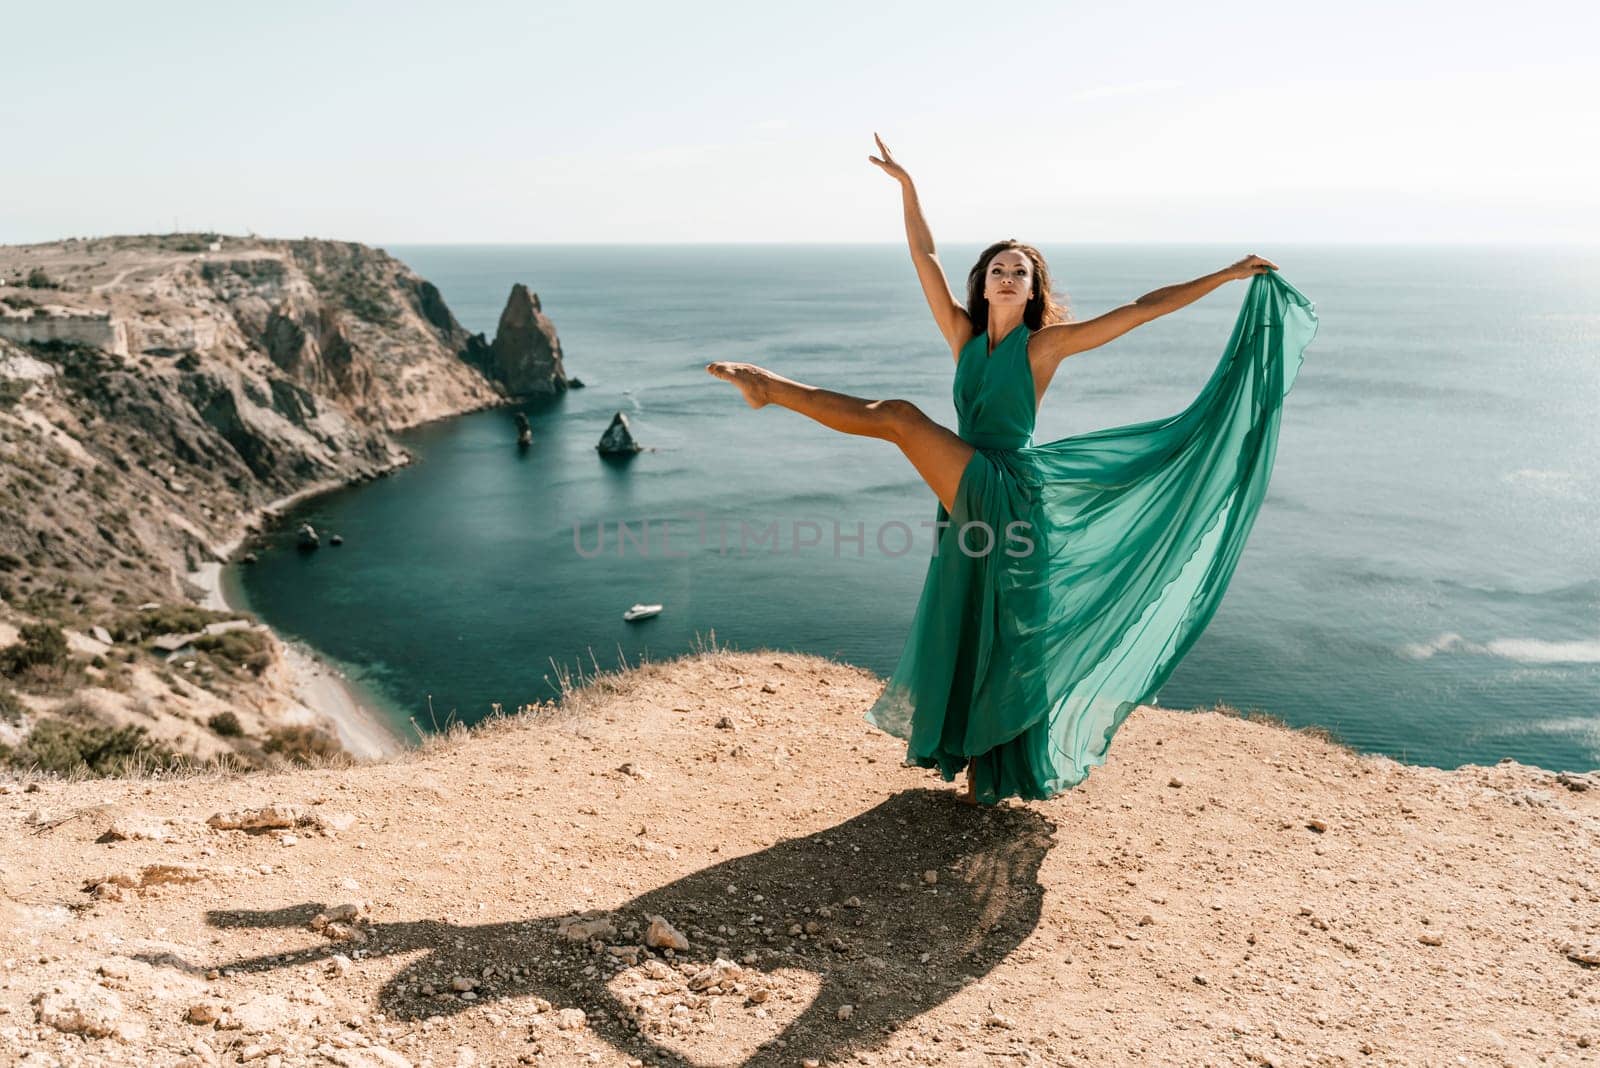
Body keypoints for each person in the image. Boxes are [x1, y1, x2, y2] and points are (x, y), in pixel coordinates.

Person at [706, 133, 1318, 806]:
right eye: (998, 267)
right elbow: (924, 255)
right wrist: (908, 187)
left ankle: (769, 386)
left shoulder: (1044, 346)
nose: (1006, 276)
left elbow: (1141, 310)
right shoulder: (964, 337)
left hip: (1005, 489)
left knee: (901, 418)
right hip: (966, 487)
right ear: (983, 282)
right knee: (976, 618)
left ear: (1033, 291)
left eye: (1020, 271)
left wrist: (1227, 275)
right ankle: (982, 768)